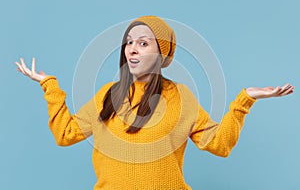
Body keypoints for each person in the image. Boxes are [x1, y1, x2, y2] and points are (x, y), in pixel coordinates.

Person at [15, 16, 294, 190]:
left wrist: (245, 100)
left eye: (144, 43)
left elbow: (219, 144)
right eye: (128, 42)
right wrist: (48, 85)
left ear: (162, 54)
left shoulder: (181, 96)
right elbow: (65, 134)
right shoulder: (107, 95)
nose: (132, 48)